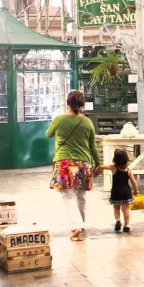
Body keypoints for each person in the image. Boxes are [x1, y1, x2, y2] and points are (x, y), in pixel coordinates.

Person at [47, 90, 99, 241]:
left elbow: (48, 134)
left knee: (68, 196)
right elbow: (93, 146)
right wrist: (98, 163)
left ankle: (76, 225)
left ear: (67, 103)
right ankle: (80, 226)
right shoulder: (87, 122)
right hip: (84, 163)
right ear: (82, 105)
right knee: (81, 196)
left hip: (64, 163)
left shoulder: (59, 119)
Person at [94, 148, 138, 233]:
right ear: (126, 159)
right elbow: (133, 182)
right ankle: (126, 225)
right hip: (126, 192)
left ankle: (118, 221)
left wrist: (95, 173)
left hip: (116, 192)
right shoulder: (128, 171)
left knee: (116, 208)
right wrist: (136, 190)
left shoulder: (113, 168)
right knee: (126, 209)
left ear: (115, 159)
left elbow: (100, 167)